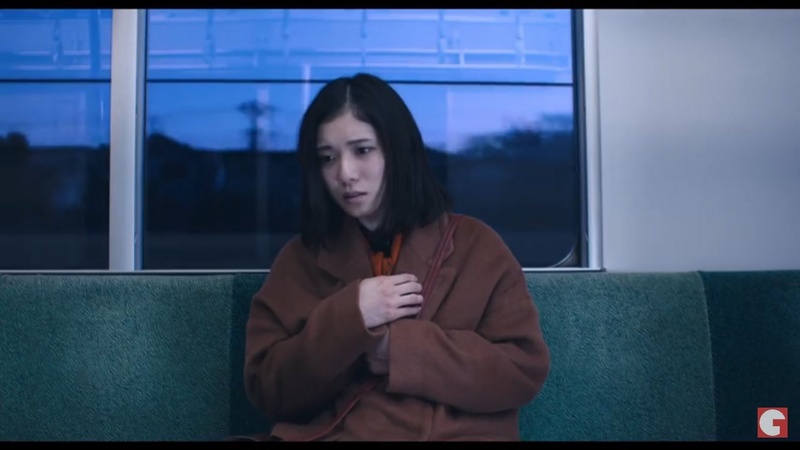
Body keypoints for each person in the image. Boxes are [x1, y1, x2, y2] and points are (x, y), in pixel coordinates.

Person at [243, 72, 550, 441]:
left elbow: (521, 372)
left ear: (398, 151)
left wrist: (400, 350)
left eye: (362, 150)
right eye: (327, 158)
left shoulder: (477, 246)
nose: (345, 173)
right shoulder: (301, 259)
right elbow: (269, 391)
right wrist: (351, 317)